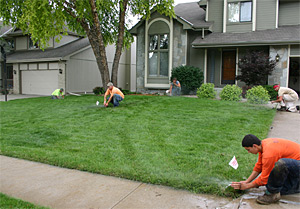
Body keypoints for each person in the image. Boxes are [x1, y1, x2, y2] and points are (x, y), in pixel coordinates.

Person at [231, 134, 300, 205]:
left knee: (281, 165)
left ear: (254, 146)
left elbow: (264, 178)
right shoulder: (263, 145)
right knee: (273, 181)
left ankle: (273, 195)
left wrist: (248, 186)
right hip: (296, 163)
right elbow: (259, 167)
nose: (248, 152)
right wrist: (247, 181)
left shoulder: (269, 154)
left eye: (248, 149)